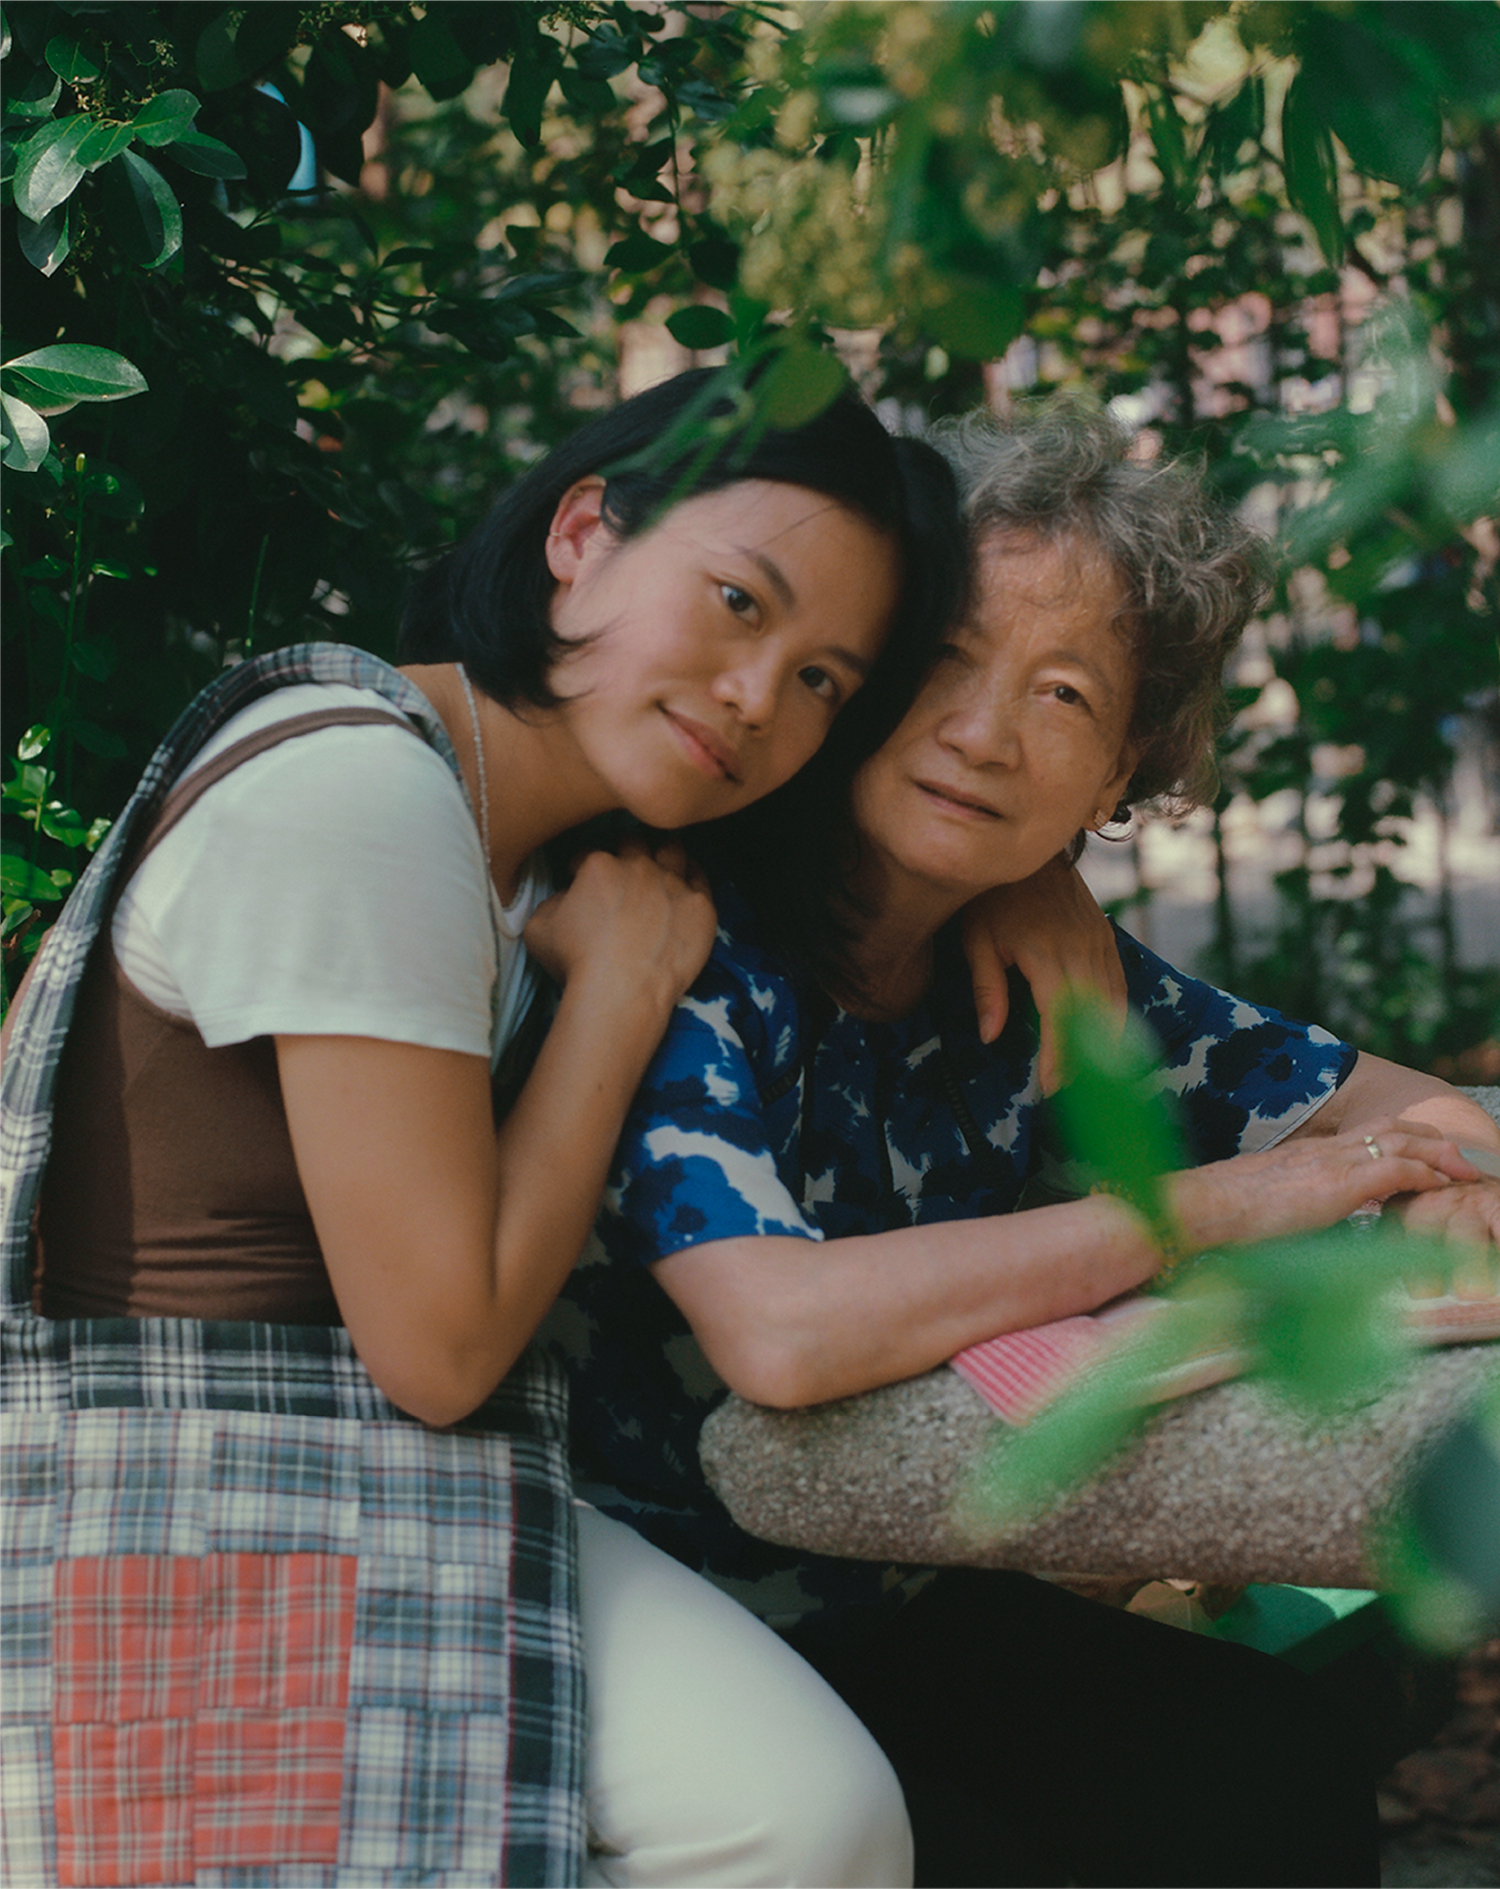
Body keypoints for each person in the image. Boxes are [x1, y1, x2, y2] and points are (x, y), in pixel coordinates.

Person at [0, 367, 970, 1886]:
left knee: (804, 1814)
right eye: (736, 601)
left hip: (352, 1477)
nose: (755, 697)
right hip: (189, 1501)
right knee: (790, 1816)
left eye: (822, 683)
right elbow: (442, 1353)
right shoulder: (366, 796)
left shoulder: (541, 844)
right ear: (581, 536)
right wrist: (616, 1000)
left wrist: (1044, 897)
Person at [557, 402, 1500, 1889]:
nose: (984, 733)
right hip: (643, 1613)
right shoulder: (700, 942)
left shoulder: (1046, 966)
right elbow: (784, 1336)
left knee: (1269, 1765)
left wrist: (1452, 1190)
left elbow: (1415, 1113)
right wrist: (1236, 1200)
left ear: (1122, 771)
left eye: (1063, 695)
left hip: (892, 1589)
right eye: (944, 659)